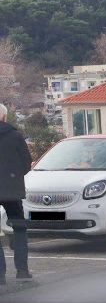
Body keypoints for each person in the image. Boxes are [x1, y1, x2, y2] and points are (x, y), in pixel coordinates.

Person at [0, 104, 32, 284]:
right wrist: (14, 176)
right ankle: (22, 270)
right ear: (5, 117)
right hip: (12, 191)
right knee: (19, 229)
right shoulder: (16, 136)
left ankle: (0, 275)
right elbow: (27, 163)